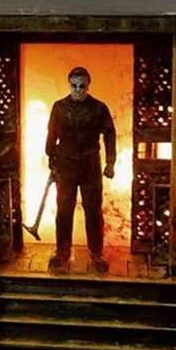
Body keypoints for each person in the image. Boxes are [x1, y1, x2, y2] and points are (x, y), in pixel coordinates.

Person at [45, 67, 116, 273]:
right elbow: (51, 134)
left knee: (93, 210)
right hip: (66, 165)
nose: (78, 90)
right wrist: (51, 159)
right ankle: (62, 251)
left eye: (82, 86)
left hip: (90, 166)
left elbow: (110, 134)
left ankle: (97, 253)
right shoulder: (59, 108)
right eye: (74, 86)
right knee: (64, 210)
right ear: (70, 85)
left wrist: (110, 162)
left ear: (88, 86)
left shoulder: (98, 108)